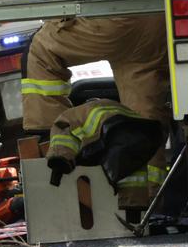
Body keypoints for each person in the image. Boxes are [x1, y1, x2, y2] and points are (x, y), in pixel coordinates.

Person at [21, 15, 170, 210]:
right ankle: (146, 204)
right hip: (158, 21)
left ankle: (51, 150)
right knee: (141, 124)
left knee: (40, 49)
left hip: (118, 17)